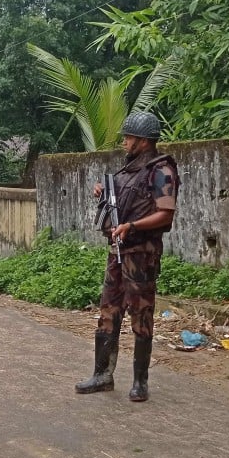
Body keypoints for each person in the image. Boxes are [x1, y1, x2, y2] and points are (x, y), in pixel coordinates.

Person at [74, 112, 180, 402]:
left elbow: (165, 214)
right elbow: (119, 204)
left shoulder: (162, 171)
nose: (124, 142)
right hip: (116, 252)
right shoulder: (126, 171)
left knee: (141, 316)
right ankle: (102, 375)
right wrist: (103, 193)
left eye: (129, 137)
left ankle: (140, 382)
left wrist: (133, 226)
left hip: (141, 254)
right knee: (108, 311)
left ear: (143, 141)